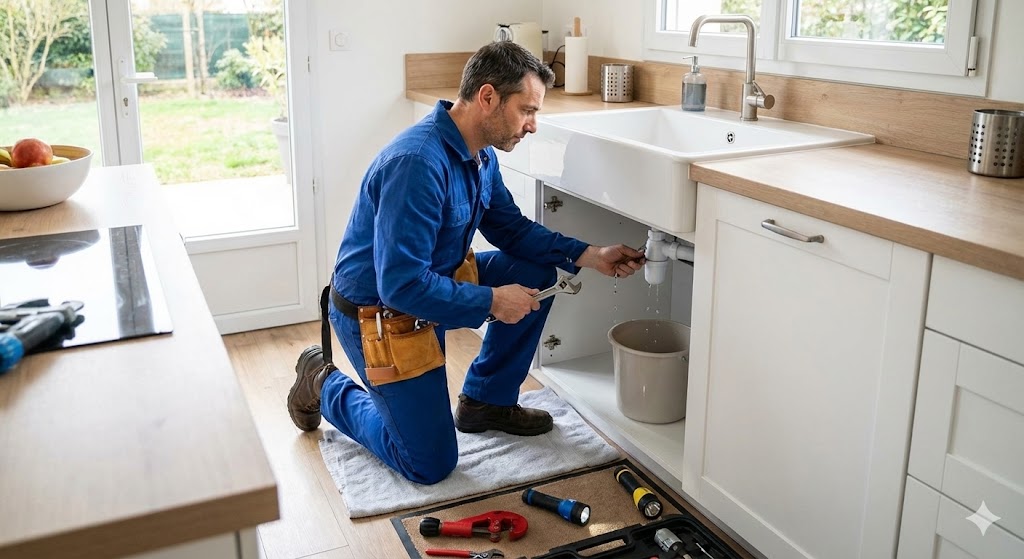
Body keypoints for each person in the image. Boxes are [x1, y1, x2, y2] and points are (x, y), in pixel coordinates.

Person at [287, 41, 645, 485]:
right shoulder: (417, 163)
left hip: (431, 288)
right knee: (429, 463)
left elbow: (511, 229)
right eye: (527, 110)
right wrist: (492, 301)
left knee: (533, 271)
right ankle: (324, 384)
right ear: (488, 97)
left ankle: (486, 402)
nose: (532, 126)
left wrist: (589, 255)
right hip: (380, 314)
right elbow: (400, 285)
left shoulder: (481, 155)